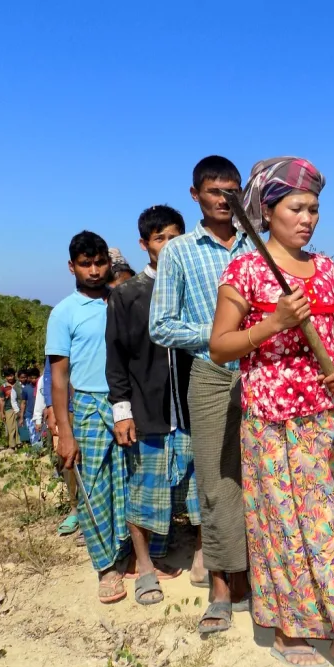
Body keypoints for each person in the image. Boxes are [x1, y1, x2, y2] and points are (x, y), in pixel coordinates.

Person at [209, 157, 334, 667]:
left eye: (314, 209)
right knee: (280, 525)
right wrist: (273, 322)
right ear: (267, 212)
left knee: (333, 520)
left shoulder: (323, 269)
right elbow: (220, 346)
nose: (308, 218)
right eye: (296, 208)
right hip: (271, 420)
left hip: (326, 416)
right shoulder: (247, 269)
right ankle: (288, 628)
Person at [150, 155, 253, 633]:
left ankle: (258, 578)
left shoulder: (259, 242)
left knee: (264, 478)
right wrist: (218, 334)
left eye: (232, 191)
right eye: (215, 192)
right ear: (196, 195)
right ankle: (220, 588)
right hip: (211, 375)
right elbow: (161, 325)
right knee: (215, 484)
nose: (224, 200)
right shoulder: (179, 251)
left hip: (264, 373)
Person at [107, 204, 207, 606]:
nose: (168, 246)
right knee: (144, 489)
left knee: (203, 489)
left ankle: (203, 556)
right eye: (159, 238)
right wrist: (122, 411)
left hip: (194, 406)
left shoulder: (195, 285)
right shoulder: (128, 296)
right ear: (144, 244)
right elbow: (115, 358)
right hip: (148, 412)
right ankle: (145, 565)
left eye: (174, 237)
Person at [47, 230, 129, 604]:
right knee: (93, 488)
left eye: (100, 263)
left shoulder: (123, 301)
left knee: (126, 484)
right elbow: (59, 377)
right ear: (72, 267)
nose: (94, 271)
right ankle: (105, 568)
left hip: (126, 404)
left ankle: (126, 552)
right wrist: (65, 432)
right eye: (86, 264)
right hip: (88, 407)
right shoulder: (64, 312)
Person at [38, 358, 80, 538]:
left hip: (103, 399)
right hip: (68, 407)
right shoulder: (60, 330)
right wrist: (51, 406)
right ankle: (76, 509)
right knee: (71, 459)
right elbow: (51, 371)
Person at [0, 367, 21, 450]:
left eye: (11, 376)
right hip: (8, 409)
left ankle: (20, 443)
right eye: (8, 376)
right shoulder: (3, 387)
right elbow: (1, 400)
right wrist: (2, 412)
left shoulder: (19, 384)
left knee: (19, 426)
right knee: (11, 427)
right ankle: (12, 445)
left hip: (19, 408)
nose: (10, 378)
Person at [22, 367, 40, 447]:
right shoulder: (26, 389)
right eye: (32, 378)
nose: (34, 380)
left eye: (35, 378)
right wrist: (21, 416)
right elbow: (23, 402)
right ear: (29, 378)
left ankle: (38, 449)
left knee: (39, 434)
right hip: (29, 415)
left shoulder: (41, 387)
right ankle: (35, 449)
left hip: (39, 415)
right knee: (32, 433)